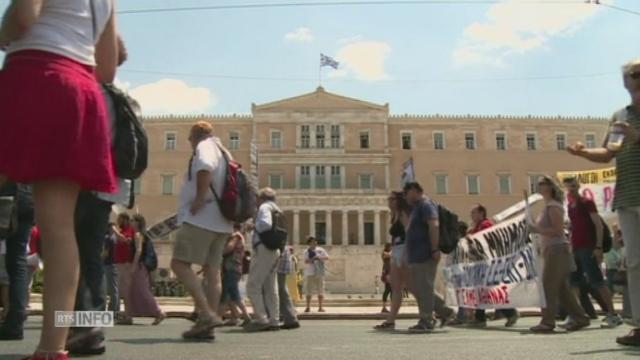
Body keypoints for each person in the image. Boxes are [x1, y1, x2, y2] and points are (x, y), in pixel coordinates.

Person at [0, 0, 119, 357]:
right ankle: (52, 348)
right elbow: (109, 67)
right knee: (59, 229)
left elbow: (23, 19)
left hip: (35, 75)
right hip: (80, 90)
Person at [568, 58, 640, 346]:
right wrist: (583, 153)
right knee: (634, 264)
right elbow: (608, 152)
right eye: (631, 75)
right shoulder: (620, 115)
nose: (634, 78)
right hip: (628, 196)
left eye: (636, 73)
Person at [171, 121, 234, 340]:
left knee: (179, 264)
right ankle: (208, 325)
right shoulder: (224, 151)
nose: (190, 144)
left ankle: (206, 314)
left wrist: (198, 199)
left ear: (195, 136)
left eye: (189, 139)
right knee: (212, 271)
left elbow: (204, 167)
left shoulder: (205, 147)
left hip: (203, 217)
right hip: (222, 221)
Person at [529, 176, 590, 333]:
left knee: (548, 285)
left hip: (557, 250)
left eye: (541, 183)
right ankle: (580, 317)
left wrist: (536, 229)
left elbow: (557, 231)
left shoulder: (554, 207)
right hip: (551, 249)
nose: (538, 185)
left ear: (549, 187)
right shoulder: (547, 206)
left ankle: (547, 321)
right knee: (562, 289)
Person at [561, 176, 623, 328]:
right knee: (573, 282)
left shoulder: (586, 203)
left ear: (578, 186)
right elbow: (575, 227)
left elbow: (598, 225)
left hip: (588, 248)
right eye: (569, 187)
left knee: (597, 282)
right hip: (576, 248)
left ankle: (612, 314)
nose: (571, 189)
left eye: (574, 186)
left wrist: (598, 247)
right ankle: (576, 315)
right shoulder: (570, 206)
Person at [402, 182, 454, 333]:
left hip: (426, 253)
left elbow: (434, 225)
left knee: (424, 287)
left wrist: (434, 248)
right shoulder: (417, 208)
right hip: (417, 254)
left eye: (407, 193)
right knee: (421, 288)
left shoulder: (426, 205)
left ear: (414, 191)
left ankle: (426, 320)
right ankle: (447, 312)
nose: (405, 197)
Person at [467, 205, 519, 328]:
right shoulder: (477, 226)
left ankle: (510, 312)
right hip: (480, 263)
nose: (472, 215)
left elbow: (487, 241)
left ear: (481, 213)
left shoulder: (485, 225)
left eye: (474, 212)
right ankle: (481, 317)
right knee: (482, 291)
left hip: (487, 263)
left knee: (487, 291)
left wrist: (472, 238)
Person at [244, 187, 282, 332]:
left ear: (260, 198)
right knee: (271, 288)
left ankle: (261, 319)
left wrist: (252, 226)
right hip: (275, 249)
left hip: (264, 249)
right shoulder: (277, 209)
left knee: (253, 285)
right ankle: (274, 320)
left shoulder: (265, 207)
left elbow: (266, 225)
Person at [0, 184, 34, 341]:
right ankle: (16, 321)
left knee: (16, 261)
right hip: (27, 195)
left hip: (6, 189)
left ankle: (14, 321)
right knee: (18, 261)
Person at [374, 191, 412, 331]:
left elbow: (410, 233)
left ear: (397, 201)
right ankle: (390, 320)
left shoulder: (403, 214)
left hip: (404, 252)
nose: (388, 201)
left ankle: (439, 310)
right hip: (397, 252)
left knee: (414, 287)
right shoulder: (395, 215)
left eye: (390, 199)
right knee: (396, 288)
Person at [126, 214, 165, 325]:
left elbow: (138, 251)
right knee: (132, 290)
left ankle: (159, 312)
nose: (130, 222)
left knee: (142, 291)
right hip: (140, 265)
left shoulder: (138, 235)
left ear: (138, 222)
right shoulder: (140, 235)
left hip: (139, 266)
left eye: (132, 220)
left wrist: (133, 265)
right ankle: (129, 315)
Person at [219, 224, 250, 327]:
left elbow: (229, 247)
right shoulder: (238, 236)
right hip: (233, 268)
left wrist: (218, 253)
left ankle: (218, 317)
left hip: (232, 268)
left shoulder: (235, 236)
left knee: (227, 294)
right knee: (232, 294)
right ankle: (235, 316)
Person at [113, 213, 136, 325]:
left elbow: (126, 241)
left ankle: (128, 315)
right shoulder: (122, 231)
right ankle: (127, 314)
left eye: (120, 220)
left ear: (126, 220)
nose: (118, 222)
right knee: (122, 289)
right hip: (119, 263)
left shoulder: (129, 230)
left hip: (126, 263)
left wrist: (115, 231)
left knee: (125, 289)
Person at [278, 244, 301, 330]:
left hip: (283, 272)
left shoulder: (284, 249)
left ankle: (290, 317)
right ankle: (289, 317)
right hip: (285, 272)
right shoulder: (286, 250)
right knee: (282, 291)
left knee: (281, 291)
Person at [303, 237, 329, 313]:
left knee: (320, 290)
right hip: (310, 272)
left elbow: (327, 257)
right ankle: (308, 307)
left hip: (319, 272)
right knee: (309, 290)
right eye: (312, 242)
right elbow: (306, 261)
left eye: (315, 241)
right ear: (309, 243)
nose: (314, 243)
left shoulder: (321, 250)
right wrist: (314, 258)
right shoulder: (306, 251)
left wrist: (319, 257)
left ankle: (320, 307)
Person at [103, 224, 119, 316]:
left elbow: (105, 253)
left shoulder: (109, 239)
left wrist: (99, 259)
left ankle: (112, 309)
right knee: (114, 287)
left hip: (108, 264)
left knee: (110, 288)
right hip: (113, 264)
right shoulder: (115, 238)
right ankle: (114, 308)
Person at [380, 242, 392, 314]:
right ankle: (384, 307)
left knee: (392, 291)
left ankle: (391, 307)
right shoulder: (384, 253)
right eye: (390, 247)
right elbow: (388, 255)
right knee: (387, 290)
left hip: (392, 274)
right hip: (387, 274)